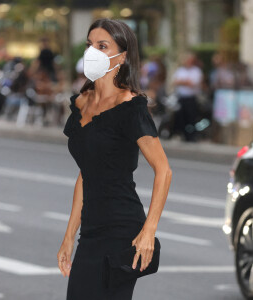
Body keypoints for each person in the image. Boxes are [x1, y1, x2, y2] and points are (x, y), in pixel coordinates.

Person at [57, 18, 172, 300]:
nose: (91, 52)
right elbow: (86, 174)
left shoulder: (130, 107)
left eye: (102, 45)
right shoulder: (83, 102)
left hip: (122, 229)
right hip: (92, 230)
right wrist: (69, 236)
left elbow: (164, 170)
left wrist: (149, 231)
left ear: (122, 56)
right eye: (89, 45)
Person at [172, 52, 203, 141]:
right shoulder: (180, 70)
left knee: (191, 118)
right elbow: (175, 81)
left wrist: (182, 82)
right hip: (182, 97)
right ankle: (183, 134)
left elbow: (193, 83)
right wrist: (185, 82)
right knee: (181, 117)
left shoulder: (196, 71)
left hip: (191, 98)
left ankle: (191, 136)